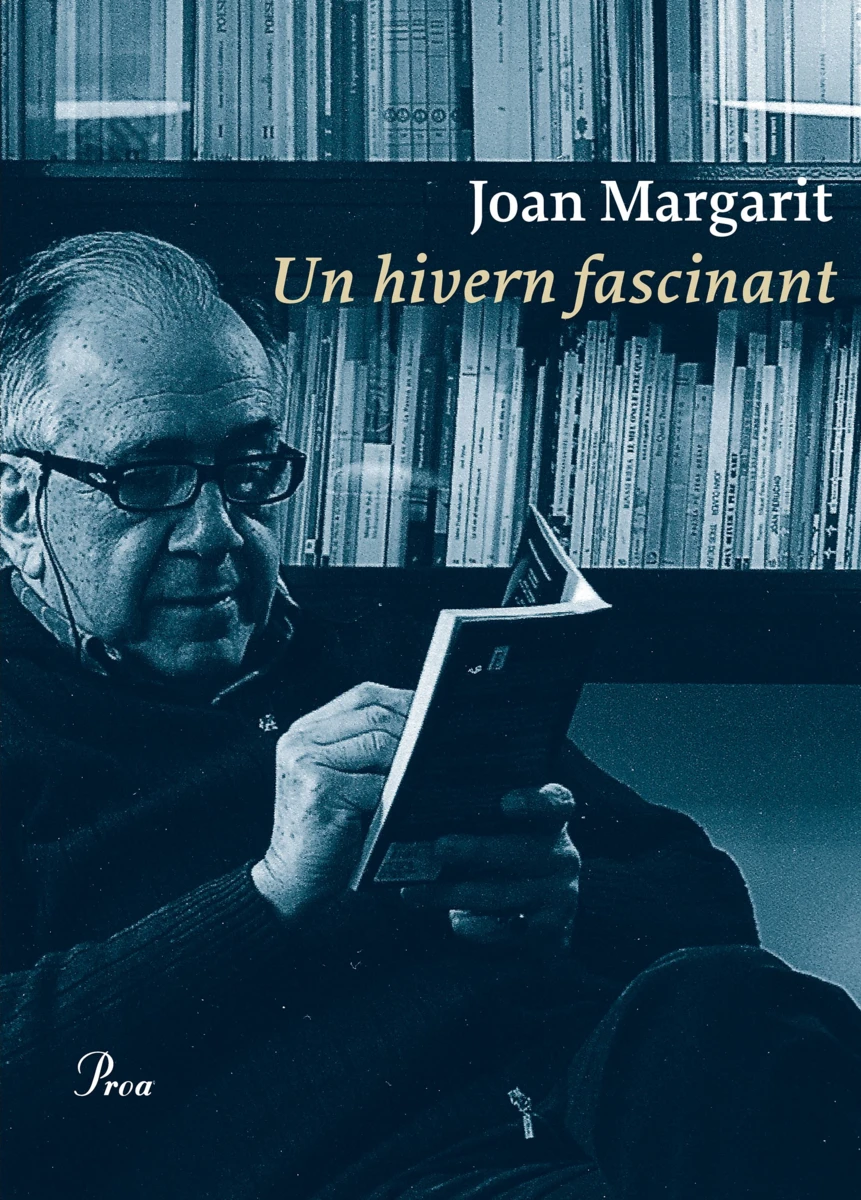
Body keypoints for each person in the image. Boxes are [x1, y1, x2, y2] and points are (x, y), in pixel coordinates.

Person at [1, 232, 858, 1200]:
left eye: (246, 470)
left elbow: (706, 899)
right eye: (147, 479)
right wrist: (267, 899)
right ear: (20, 509)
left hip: (610, 1111)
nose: (215, 534)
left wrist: (567, 905)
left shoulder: (375, 657)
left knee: (734, 1018)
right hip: (384, 1174)